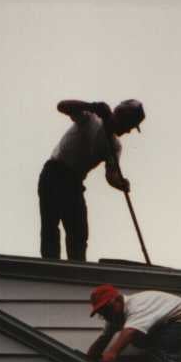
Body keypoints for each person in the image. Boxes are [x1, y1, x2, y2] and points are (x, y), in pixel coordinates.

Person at [38, 99, 145, 262]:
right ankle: (51, 269)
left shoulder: (115, 146)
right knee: (50, 226)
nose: (129, 131)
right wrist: (91, 106)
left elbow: (111, 174)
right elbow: (62, 106)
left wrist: (120, 182)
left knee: (79, 233)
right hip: (54, 173)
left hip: (74, 183)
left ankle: (77, 273)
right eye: (130, 124)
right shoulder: (91, 119)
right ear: (122, 117)